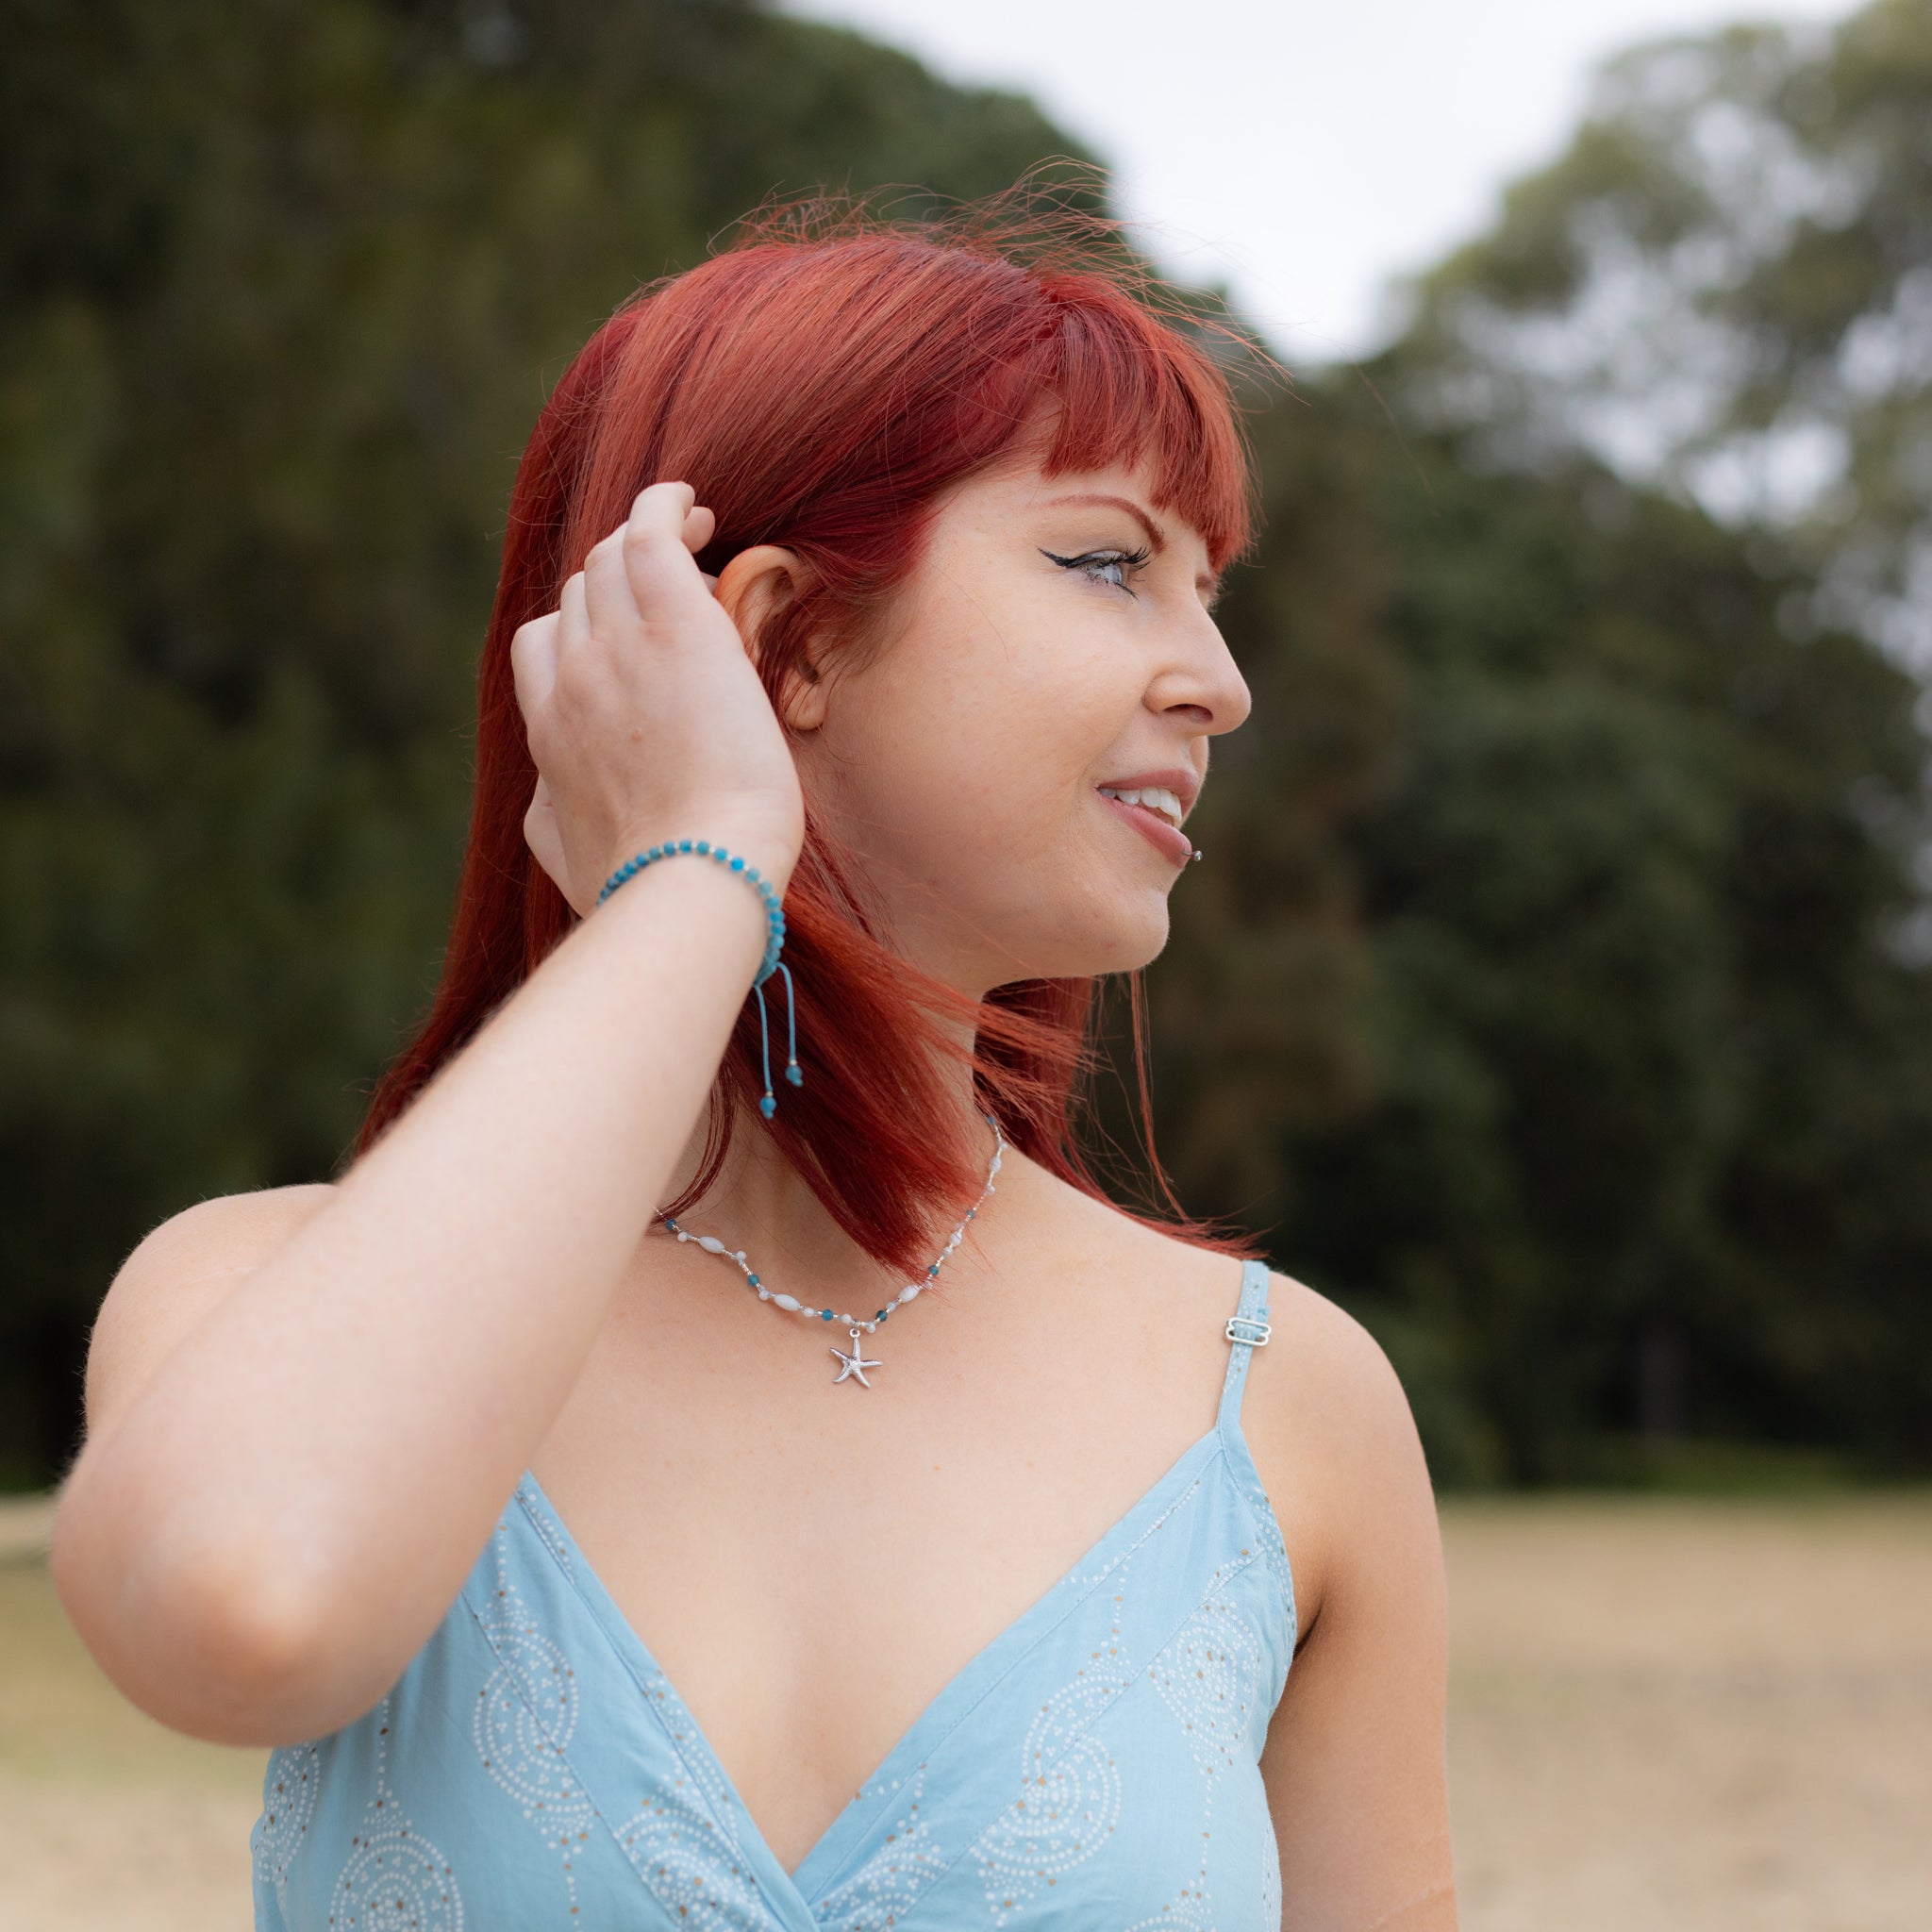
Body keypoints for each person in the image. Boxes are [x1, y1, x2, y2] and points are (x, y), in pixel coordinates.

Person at [49, 197, 1456, 1930]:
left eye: (1211, 592)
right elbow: (242, 1609)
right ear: (783, 637)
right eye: (1109, 563)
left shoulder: (1287, 1406)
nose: (1221, 684)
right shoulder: (254, 1295)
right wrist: (699, 868)